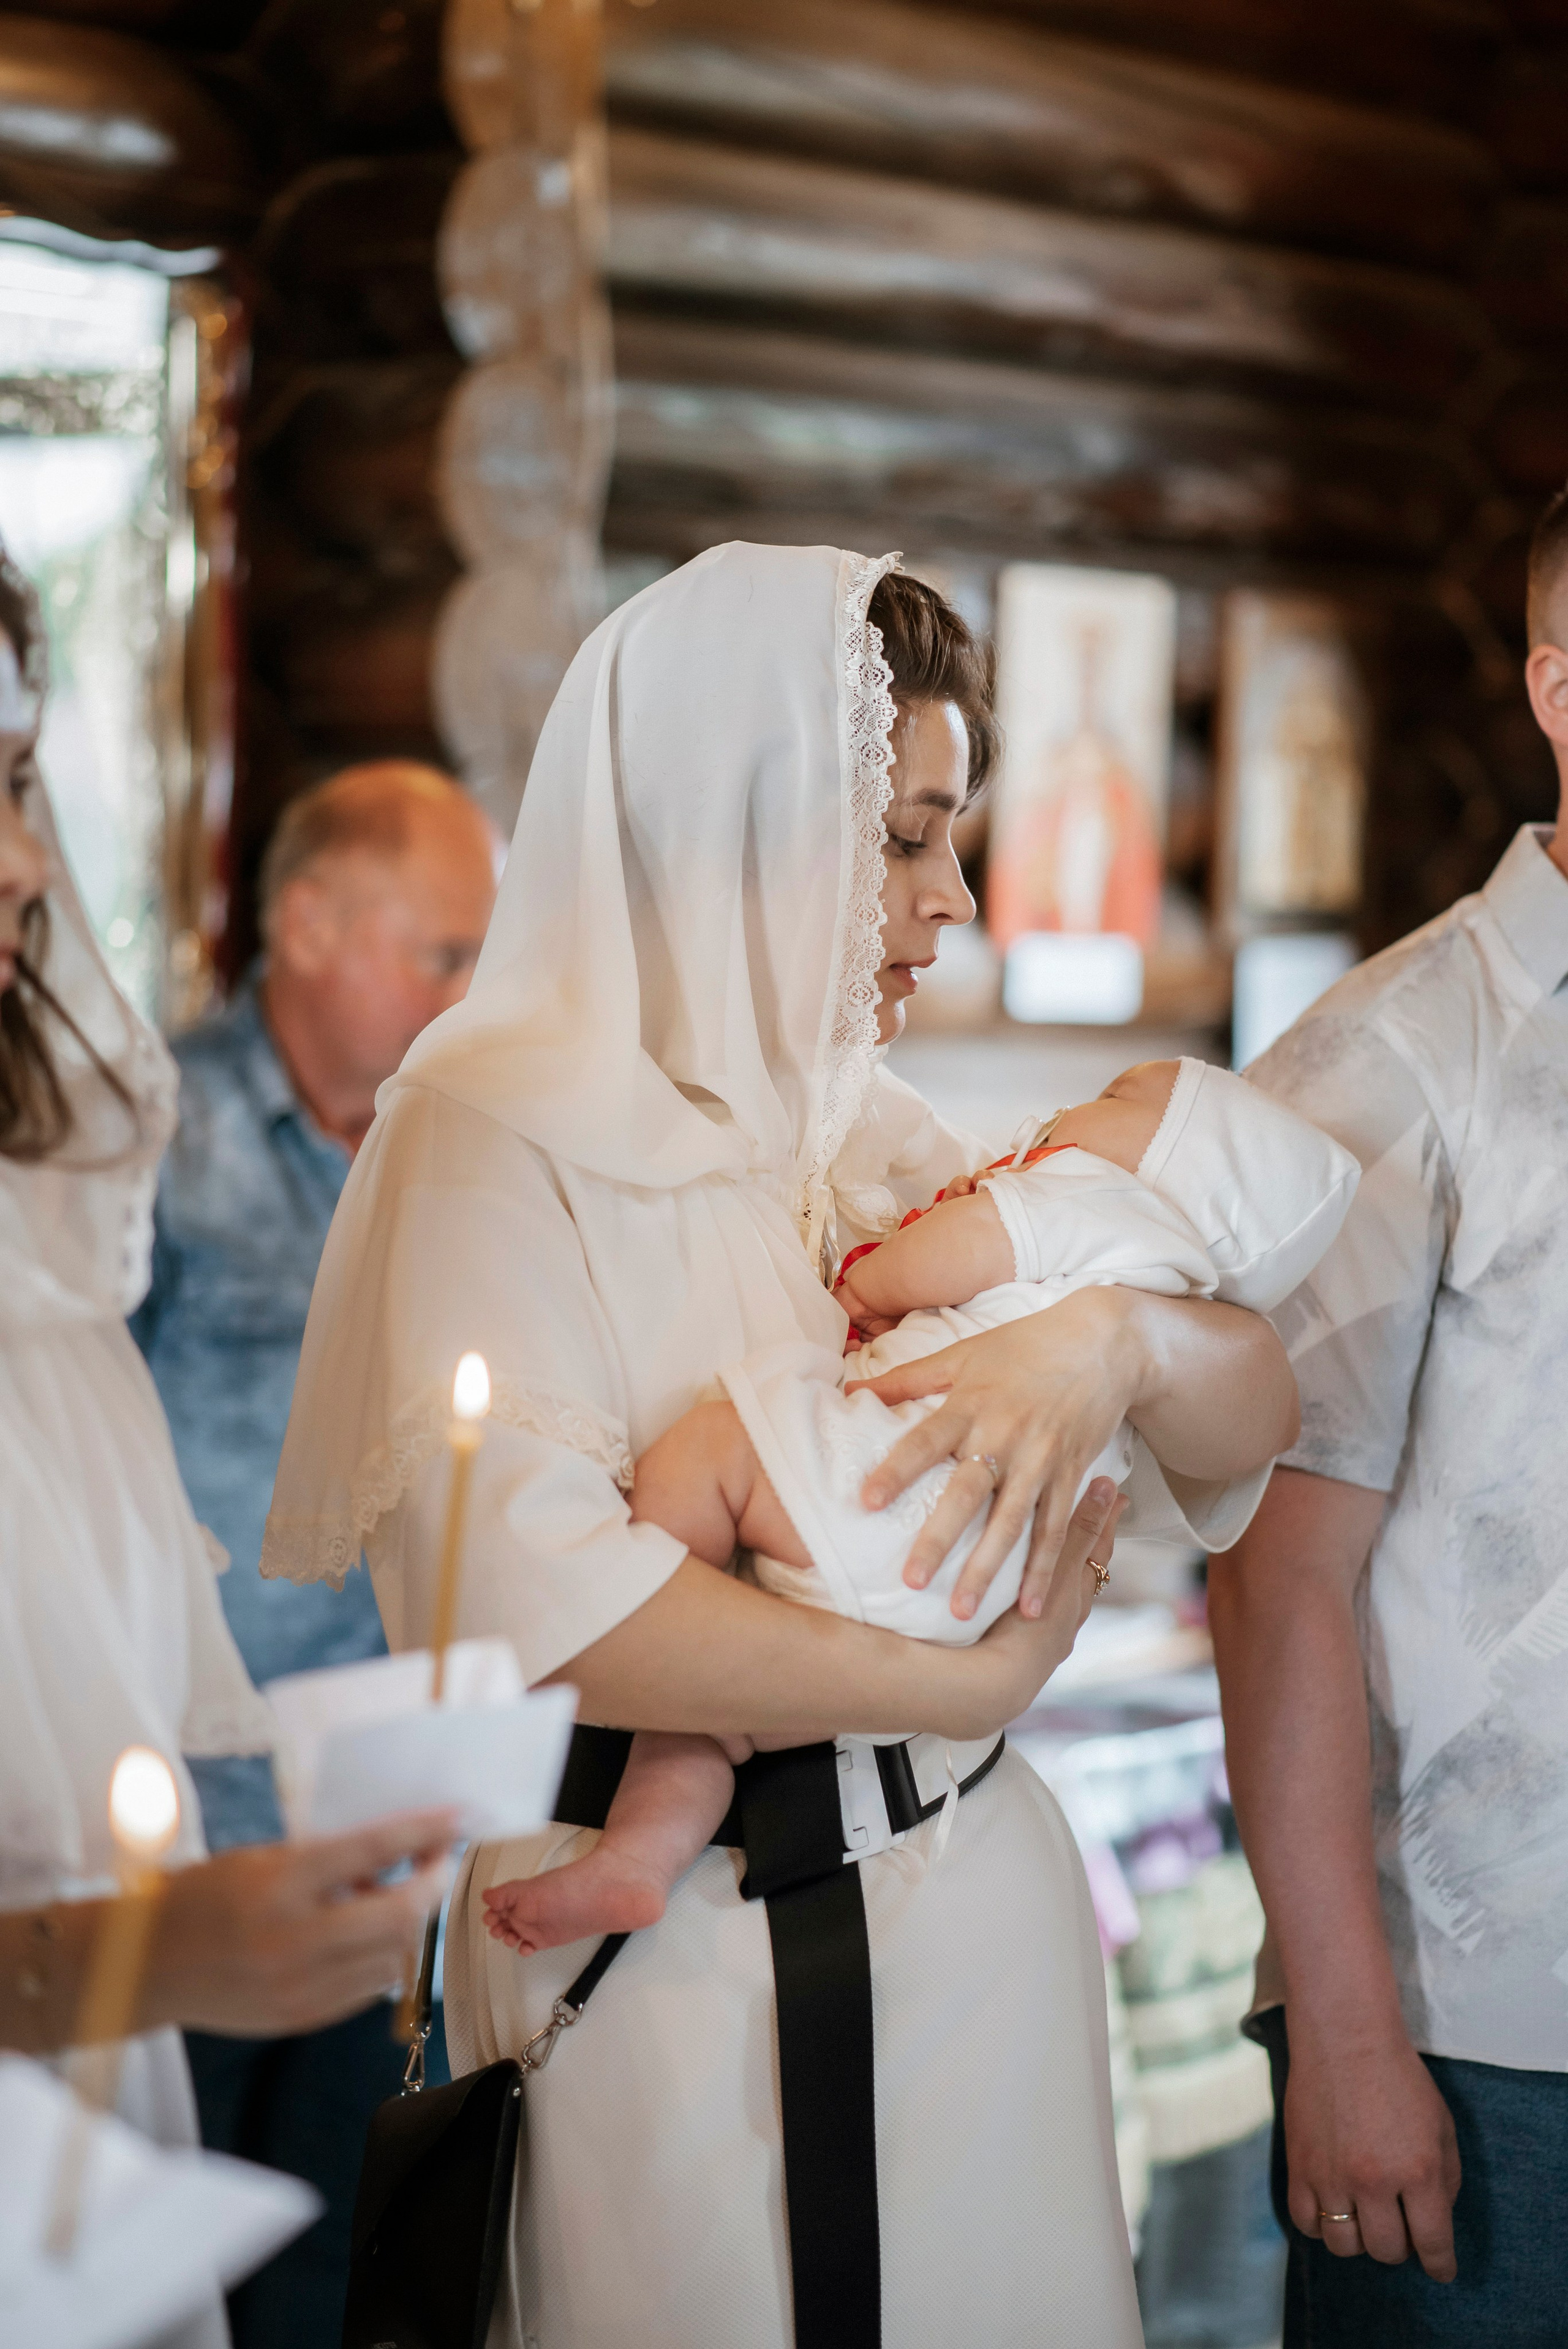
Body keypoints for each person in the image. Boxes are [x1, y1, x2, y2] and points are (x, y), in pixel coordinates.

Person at [262, 546, 1299, 2349]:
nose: (954, 895)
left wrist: (1112, 1334)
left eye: (949, 837)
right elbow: (546, 1610)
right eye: (905, 837)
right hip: (664, 1975)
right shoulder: (481, 1140)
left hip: (974, 1935)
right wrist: (955, 1685)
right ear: (731, 826)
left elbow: (1249, 1409)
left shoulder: (860, 1128)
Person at [0, 544, 456, 2346]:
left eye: (23, 785)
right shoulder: (164, 1163)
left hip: (278, 1834)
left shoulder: (52, 1206)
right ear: (313, 927)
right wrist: (145, 1950)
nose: (26, 863)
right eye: (445, 947)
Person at [484, 1055, 1355, 1958]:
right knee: (714, 1712)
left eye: (1109, 1101)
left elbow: (946, 1255)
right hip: (955, 1604)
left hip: (889, 1498)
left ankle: (644, 1805)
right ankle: (641, 1852)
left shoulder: (1085, 1197)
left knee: (707, 1457)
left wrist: (870, 1288)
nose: (1063, 1110)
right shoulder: (1156, 1264)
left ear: (1176, 1171)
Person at [1208, 481, 1568, 2349]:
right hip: (1485, 2033)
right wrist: (1346, 2031)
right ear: (1560, 689)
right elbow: (1281, 1579)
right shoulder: (1387, 1057)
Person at [129, 760, 496, 2348]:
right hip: (183, 1825)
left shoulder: (450, 1153)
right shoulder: (148, 1132)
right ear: (304, 921)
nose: (469, 994)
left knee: (332, 2259)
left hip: (381, 1810)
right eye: (442, 953)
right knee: (161, 2246)